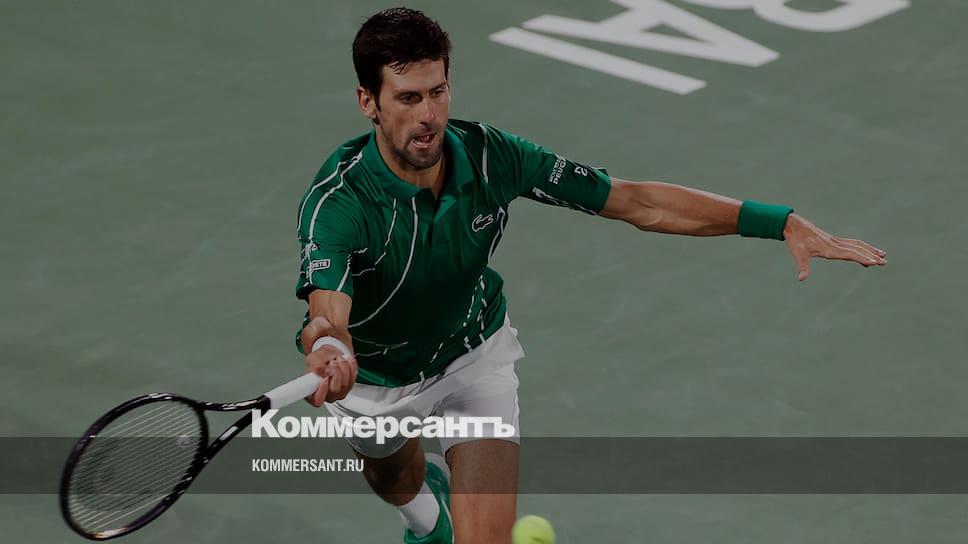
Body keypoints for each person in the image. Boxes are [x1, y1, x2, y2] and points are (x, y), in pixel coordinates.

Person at [293, 7, 887, 544]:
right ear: (368, 102)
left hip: (471, 356)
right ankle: (427, 519)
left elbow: (636, 202)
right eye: (407, 98)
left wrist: (776, 221)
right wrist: (328, 347)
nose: (429, 116)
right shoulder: (338, 205)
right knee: (397, 481)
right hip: (377, 378)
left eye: (438, 92)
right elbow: (327, 309)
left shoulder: (491, 156)